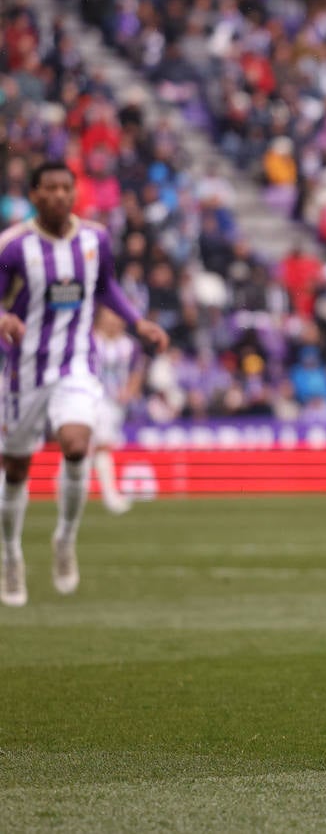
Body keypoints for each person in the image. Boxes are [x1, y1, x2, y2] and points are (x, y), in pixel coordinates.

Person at [0, 161, 169, 608]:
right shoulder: (14, 247)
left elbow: (106, 287)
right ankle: (11, 555)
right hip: (23, 373)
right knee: (15, 471)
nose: (59, 195)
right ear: (34, 194)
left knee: (77, 445)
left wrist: (139, 325)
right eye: (49, 188)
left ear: (74, 193)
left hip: (76, 365)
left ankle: (64, 539)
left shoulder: (95, 238)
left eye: (65, 188)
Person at [92, 307, 144, 515]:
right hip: (92, 398)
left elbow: (136, 371)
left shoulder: (130, 345)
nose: (115, 321)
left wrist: (130, 391)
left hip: (116, 403)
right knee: (102, 445)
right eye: (110, 316)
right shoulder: (89, 340)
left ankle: (64, 485)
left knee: (93, 448)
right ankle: (110, 496)